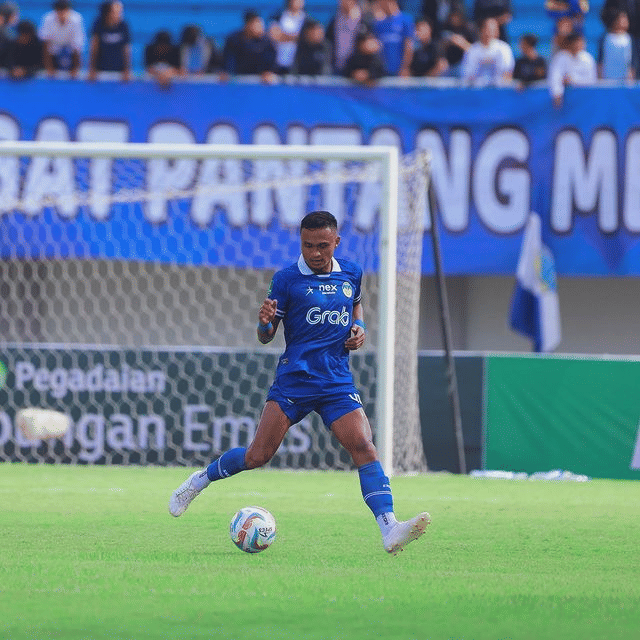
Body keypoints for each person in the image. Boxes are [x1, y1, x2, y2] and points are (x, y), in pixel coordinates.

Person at [169, 210, 431, 556]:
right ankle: (199, 481)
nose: (315, 253)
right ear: (301, 243)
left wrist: (360, 329)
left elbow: (356, 308)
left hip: (336, 381)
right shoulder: (286, 280)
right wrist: (264, 324)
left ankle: (389, 528)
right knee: (257, 455)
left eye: (323, 245)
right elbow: (266, 336)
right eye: (308, 246)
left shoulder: (352, 272)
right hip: (295, 381)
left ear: (336, 242)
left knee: (365, 447)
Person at [222, 10, 277, 82]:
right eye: (256, 23)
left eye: (260, 23)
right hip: (238, 79)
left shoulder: (266, 42)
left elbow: (270, 61)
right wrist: (227, 72)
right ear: (248, 24)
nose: (260, 27)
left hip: (259, 80)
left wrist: (268, 71)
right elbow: (229, 60)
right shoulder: (234, 40)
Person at [548, 30, 597, 107]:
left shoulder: (588, 58)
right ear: (570, 43)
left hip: (585, 99)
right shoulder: (560, 57)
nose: (580, 44)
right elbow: (555, 77)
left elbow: (592, 80)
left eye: (581, 42)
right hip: (566, 102)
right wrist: (557, 94)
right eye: (577, 42)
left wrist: (572, 80)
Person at [38, 0, 86, 78]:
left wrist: (75, 69)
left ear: (69, 10)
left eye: (65, 11)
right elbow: (45, 44)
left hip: (70, 53)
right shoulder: (47, 19)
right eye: (59, 11)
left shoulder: (76, 19)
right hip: (53, 53)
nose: (62, 14)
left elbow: (77, 46)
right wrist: (49, 67)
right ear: (55, 11)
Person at [461, 15, 514, 84]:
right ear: (481, 30)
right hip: (477, 88)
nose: (491, 31)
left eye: (494, 28)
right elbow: (467, 74)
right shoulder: (472, 50)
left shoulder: (504, 48)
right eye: (488, 29)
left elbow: (507, 72)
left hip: (499, 88)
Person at [325, 0, 373, 74]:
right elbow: (328, 41)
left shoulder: (364, 20)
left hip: (357, 69)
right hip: (336, 66)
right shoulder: (335, 21)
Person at [88, 0, 131, 81]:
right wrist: (92, 68)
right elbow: (94, 48)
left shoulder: (124, 26)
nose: (120, 14)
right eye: (117, 12)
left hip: (119, 70)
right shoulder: (98, 25)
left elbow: (126, 49)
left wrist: (127, 70)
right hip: (101, 70)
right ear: (108, 13)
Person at [371, 0, 415, 76]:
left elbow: (408, 47)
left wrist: (404, 68)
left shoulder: (406, 20)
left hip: (400, 73)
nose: (379, 4)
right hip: (382, 72)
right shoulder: (378, 24)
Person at [268, 0, 307, 74]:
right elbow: (273, 36)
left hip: (299, 64)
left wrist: (283, 36)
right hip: (277, 63)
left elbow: (308, 38)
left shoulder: (308, 20)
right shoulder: (277, 16)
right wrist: (296, 37)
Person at [439, 5, 476, 76]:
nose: (454, 19)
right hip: (448, 64)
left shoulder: (469, 29)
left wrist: (462, 43)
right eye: (452, 16)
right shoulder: (446, 28)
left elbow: (476, 50)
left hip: (463, 64)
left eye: (456, 16)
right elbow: (439, 47)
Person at [598, 9, 634, 79]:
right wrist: (600, 76)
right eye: (622, 19)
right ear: (614, 21)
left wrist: (631, 74)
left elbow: (632, 60)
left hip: (624, 78)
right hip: (608, 77)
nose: (625, 21)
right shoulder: (606, 38)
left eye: (626, 19)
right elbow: (600, 59)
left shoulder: (629, 38)